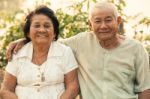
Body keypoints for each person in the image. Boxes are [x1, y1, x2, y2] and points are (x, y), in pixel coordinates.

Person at [5, 1, 150, 99]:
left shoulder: (136, 49)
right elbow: (47, 40)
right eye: (98, 21)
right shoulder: (80, 42)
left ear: (118, 21)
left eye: (108, 20)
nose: (103, 26)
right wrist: (26, 40)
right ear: (90, 24)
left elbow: (145, 89)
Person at [0, 5, 79, 99]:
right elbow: (6, 90)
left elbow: (73, 87)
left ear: (54, 33)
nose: (42, 30)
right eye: (37, 26)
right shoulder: (18, 53)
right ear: (28, 33)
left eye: (47, 26)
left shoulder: (65, 52)